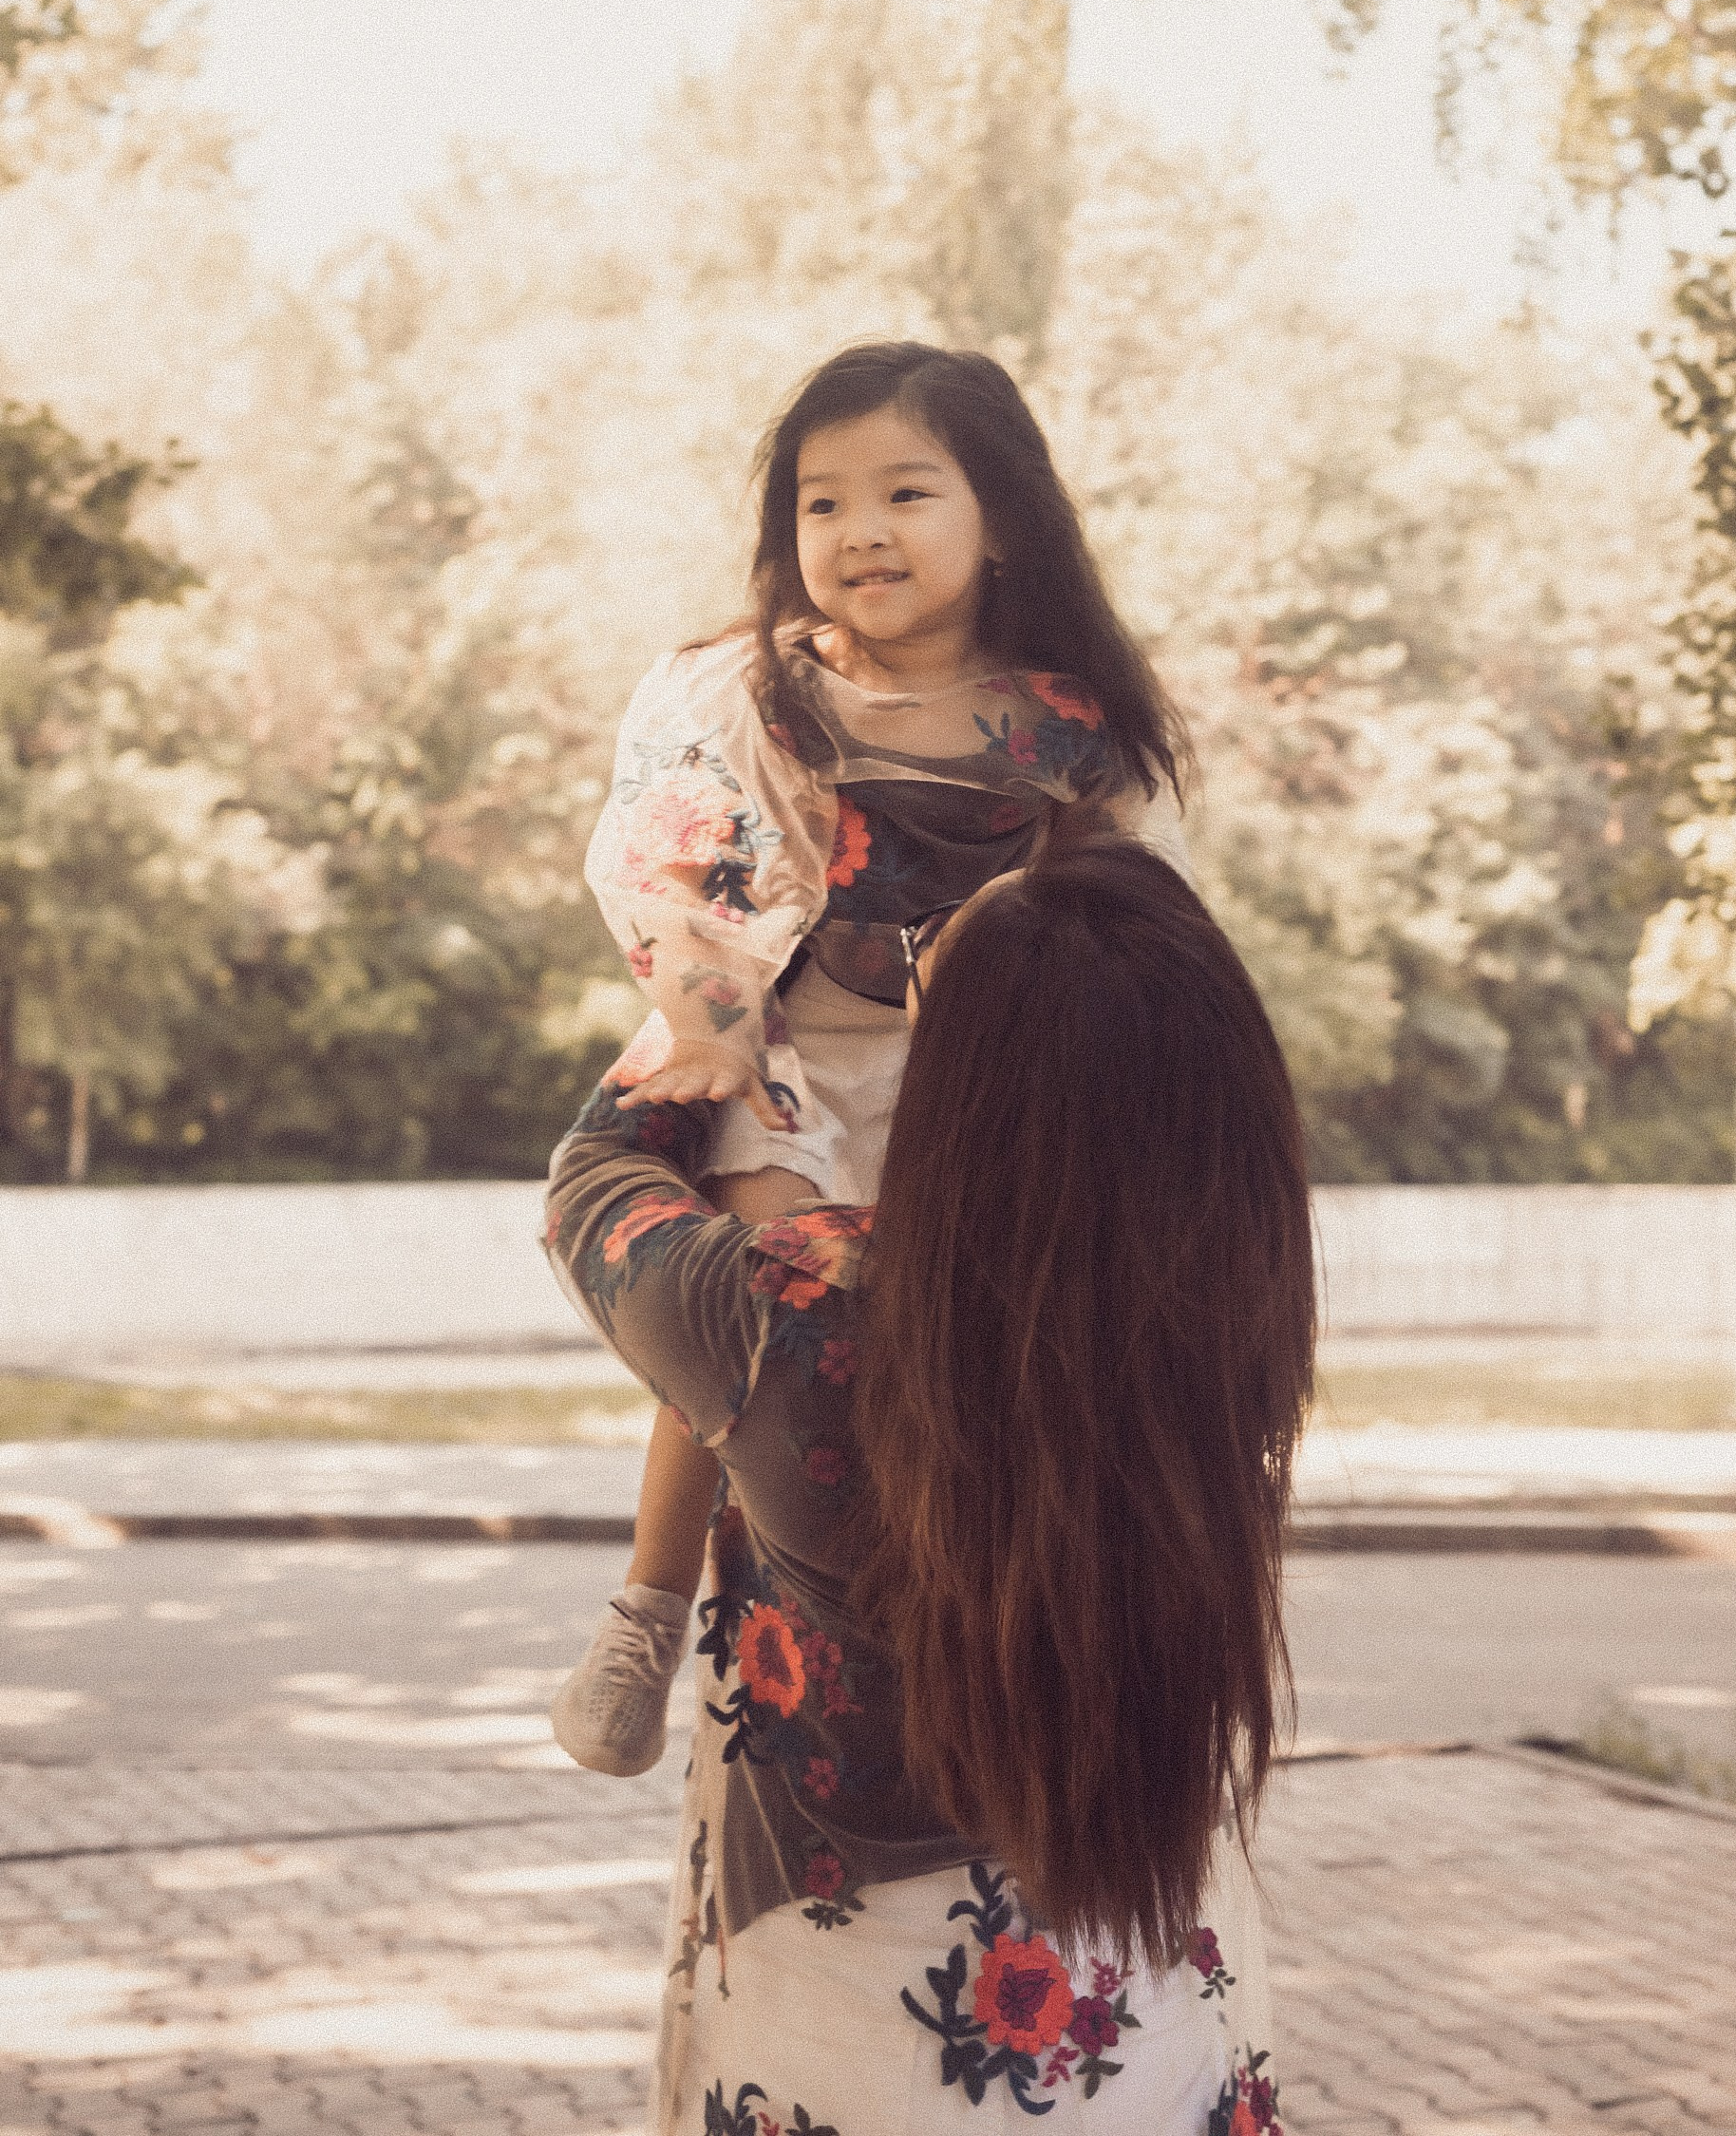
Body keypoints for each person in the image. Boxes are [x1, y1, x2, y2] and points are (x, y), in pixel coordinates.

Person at [543, 832, 1315, 2135]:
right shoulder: (1227, 1326)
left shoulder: (790, 1304)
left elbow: (592, 1190)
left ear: (963, 1087)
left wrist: (713, 990)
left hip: (847, 2012)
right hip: (1152, 1993)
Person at [555, 342, 1194, 1777]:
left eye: (905, 493)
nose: (860, 534)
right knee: (762, 1329)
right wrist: (710, 1025)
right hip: (772, 1054)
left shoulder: (1070, 726)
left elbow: (1139, 929)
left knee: (970, 1349)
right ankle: (647, 1608)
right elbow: (685, 865)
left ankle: (995, 1606)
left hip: (977, 1089)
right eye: (822, 505)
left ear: (1006, 519)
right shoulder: (753, 695)